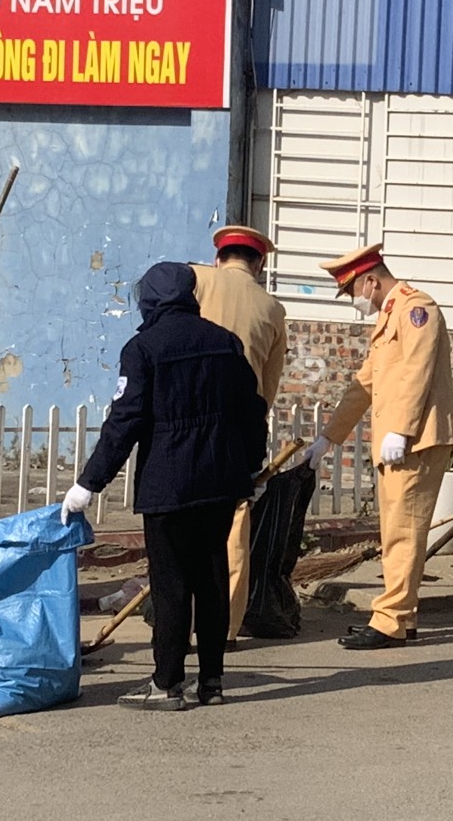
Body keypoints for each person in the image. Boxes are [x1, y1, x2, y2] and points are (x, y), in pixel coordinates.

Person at [59, 262, 267, 710]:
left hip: (168, 483)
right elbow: (252, 410)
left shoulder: (143, 349)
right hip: (220, 480)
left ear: (149, 300)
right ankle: (211, 682)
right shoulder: (224, 342)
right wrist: (251, 467)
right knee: (212, 579)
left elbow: (125, 422)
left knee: (171, 584)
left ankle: (167, 683)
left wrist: (88, 483)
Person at [303, 244, 453, 649]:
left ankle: (390, 620)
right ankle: (400, 618)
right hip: (399, 442)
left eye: (354, 290)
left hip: (417, 440)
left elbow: (418, 372)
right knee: (394, 532)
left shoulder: (415, 309)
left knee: (403, 533)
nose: (355, 301)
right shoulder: (389, 317)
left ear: (371, 280)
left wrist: (402, 430)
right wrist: (328, 437)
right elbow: (363, 385)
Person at [191, 225, 288, 649]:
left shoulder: (194, 283)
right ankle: (225, 628)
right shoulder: (272, 307)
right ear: (259, 264)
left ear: (218, 258)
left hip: (186, 419)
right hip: (239, 426)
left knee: (182, 521)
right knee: (234, 528)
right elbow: (270, 384)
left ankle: (178, 616)